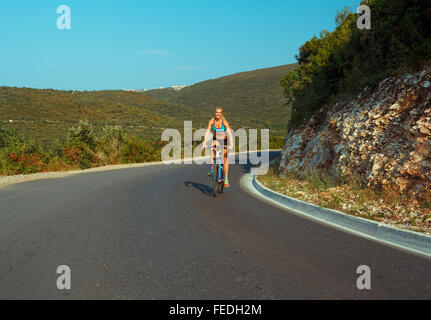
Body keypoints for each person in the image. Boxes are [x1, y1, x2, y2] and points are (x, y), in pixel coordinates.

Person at [202, 107, 234, 188]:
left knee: (225, 159)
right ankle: (212, 169)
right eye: (216, 112)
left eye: (219, 112)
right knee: (212, 151)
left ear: (222, 114)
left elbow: (229, 134)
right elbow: (207, 132)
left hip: (224, 140)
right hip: (216, 140)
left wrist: (231, 144)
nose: (218, 114)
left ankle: (226, 178)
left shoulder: (225, 122)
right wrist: (204, 142)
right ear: (215, 113)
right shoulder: (211, 121)